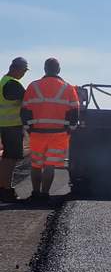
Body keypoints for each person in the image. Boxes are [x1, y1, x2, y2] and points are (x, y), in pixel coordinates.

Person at [22, 57, 79, 200]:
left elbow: (24, 110)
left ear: (45, 69)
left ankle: (35, 194)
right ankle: (45, 194)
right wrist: (70, 128)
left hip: (37, 132)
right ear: (58, 70)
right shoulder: (67, 88)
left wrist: (28, 128)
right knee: (50, 165)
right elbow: (74, 111)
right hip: (58, 134)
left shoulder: (33, 86)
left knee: (36, 164)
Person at [0, 57, 30, 202]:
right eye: (24, 70)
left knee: (7, 158)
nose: (24, 74)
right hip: (11, 126)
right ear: (17, 68)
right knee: (10, 160)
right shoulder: (13, 84)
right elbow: (28, 100)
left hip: (6, 125)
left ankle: (4, 187)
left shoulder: (4, 81)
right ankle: (5, 189)